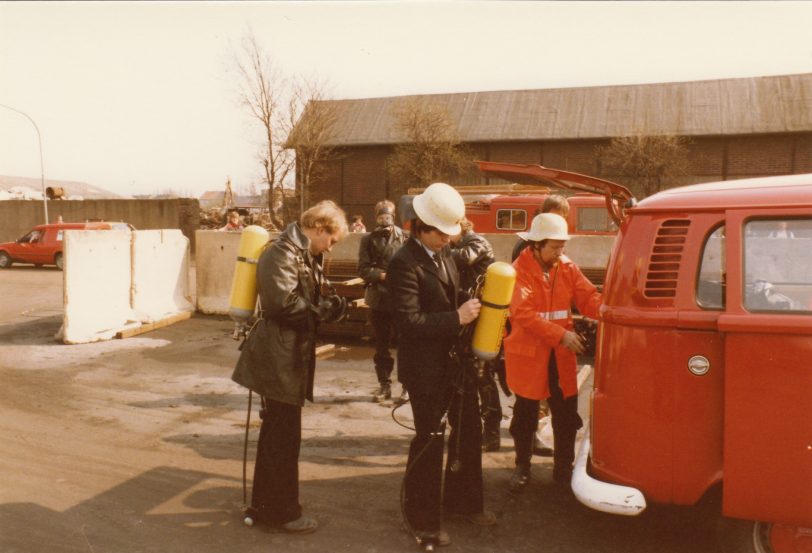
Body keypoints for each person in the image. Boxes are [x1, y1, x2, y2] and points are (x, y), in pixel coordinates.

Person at [388, 182, 496, 549]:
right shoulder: (403, 263)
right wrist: (457, 318)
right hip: (424, 369)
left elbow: (452, 294)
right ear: (421, 226)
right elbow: (408, 322)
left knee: (466, 431)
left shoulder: (442, 255)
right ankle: (422, 519)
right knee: (430, 441)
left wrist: (476, 302)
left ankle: (463, 503)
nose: (448, 240)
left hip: (450, 364)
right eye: (441, 234)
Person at [231, 200, 349, 534]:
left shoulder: (302, 254)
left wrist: (328, 306)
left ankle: (271, 505)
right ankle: (281, 512)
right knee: (282, 438)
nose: (331, 246)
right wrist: (323, 310)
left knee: (280, 436)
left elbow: (301, 301)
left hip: (286, 356)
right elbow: (281, 303)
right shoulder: (281, 252)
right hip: (277, 358)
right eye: (332, 239)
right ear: (319, 228)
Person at [504, 212, 601, 493]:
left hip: (559, 354)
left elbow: (588, 297)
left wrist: (612, 308)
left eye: (563, 246)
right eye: (555, 247)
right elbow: (523, 314)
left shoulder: (567, 267)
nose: (561, 252)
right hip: (531, 355)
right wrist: (561, 335)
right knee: (525, 414)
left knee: (566, 413)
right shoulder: (518, 271)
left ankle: (563, 468)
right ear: (536, 245)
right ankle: (522, 466)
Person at [449, 218, 502, 452]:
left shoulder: (477, 242)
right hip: (468, 317)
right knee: (468, 374)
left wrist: (436, 250)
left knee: (483, 375)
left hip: (482, 321)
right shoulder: (461, 244)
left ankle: (492, 432)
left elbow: (464, 258)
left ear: (460, 225)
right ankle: (470, 428)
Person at [358, 200, 407, 403]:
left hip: (402, 299)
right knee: (382, 346)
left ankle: (407, 387)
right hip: (379, 299)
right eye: (380, 217)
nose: (384, 221)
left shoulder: (405, 238)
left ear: (393, 218)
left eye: (387, 217)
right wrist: (382, 276)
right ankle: (384, 384)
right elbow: (363, 269)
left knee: (406, 344)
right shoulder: (368, 240)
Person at [511, 194, 570, 262]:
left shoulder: (556, 240)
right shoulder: (530, 240)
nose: (555, 221)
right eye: (552, 216)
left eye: (560, 218)